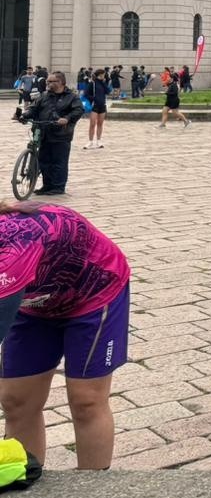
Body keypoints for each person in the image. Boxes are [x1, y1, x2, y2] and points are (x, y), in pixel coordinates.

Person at [0, 199, 130, 469]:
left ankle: (91, 496)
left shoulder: (16, 243)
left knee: (86, 400)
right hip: (35, 300)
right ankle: (23, 480)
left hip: (94, 294)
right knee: (16, 400)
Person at [17, 72, 83, 193]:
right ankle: (47, 185)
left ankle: (58, 187)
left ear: (61, 82)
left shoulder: (72, 97)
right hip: (44, 132)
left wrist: (67, 119)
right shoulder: (44, 95)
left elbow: (78, 110)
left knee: (58, 162)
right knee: (44, 161)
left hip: (61, 135)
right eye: (48, 81)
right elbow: (33, 108)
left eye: (52, 81)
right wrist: (24, 116)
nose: (48, 84)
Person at [82, 69, 109, 150]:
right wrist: (94, 98)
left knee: (100, 124)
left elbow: (108, 91)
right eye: (102, 75)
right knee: (92, 124)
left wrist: (104, 82)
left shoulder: (103, 83)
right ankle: (90, 141)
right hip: (94, 105)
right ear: (98, 75)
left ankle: (99, 140)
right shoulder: (92, 83)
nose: (103, 76)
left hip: (102, 105)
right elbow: (86, 94)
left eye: (104, 75)